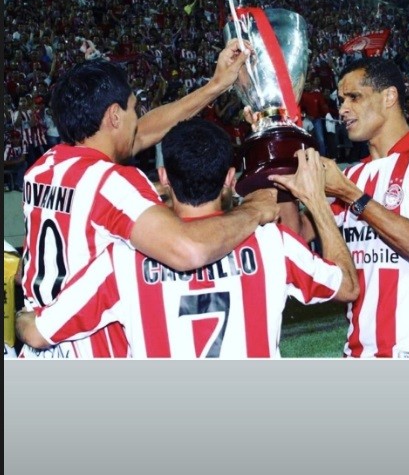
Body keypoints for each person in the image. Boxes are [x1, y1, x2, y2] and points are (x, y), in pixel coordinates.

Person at [16, 118, 358, 358]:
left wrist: (22, 319)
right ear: (229, 178)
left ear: (163, 178)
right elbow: (347, 287)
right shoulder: (273, 244)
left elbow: (38, 334)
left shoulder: (122, 260)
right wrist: (317, 201)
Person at [19, 48, 279, 358]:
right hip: (91, 354)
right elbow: (188, 250)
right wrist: (254, 210)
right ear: (114, 116)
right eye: (133, 109)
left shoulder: (43, 169)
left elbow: (143, 132)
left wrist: (216, 85)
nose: (138, 120)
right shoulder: (112, 182)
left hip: (41, 343)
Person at [271, 57, 409, 358]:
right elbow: (295, 233)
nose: (343, 109)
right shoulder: (353, 175)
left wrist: (351, 195)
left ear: (389, 96)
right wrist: (281, 157)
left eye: (354, 97)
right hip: (358, 356)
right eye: (341, 100)